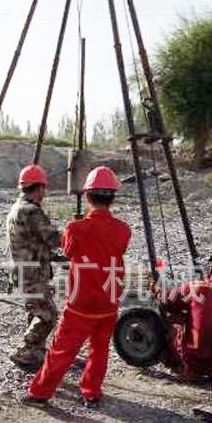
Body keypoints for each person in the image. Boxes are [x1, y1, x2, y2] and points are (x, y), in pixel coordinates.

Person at [26, 166, 131, 406]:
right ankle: (91, 392)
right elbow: (117, 248)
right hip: (109, 300)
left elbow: (69, 251)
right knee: (100, 349)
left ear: (87, 196)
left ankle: (40, 393)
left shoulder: (75, 229)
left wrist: (76, 225)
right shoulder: (124, 229)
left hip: (81, 302)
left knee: (62, 350)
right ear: (113, 197)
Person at [6, 163, 62, 371]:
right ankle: (26, 350)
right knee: (48, 314)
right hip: (31, 273)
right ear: (39, 188)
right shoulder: (31, 211)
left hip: (23, 270)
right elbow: (54, 238)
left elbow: (33, 241)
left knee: (37, 310)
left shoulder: (17, 208)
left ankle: (36, 352)